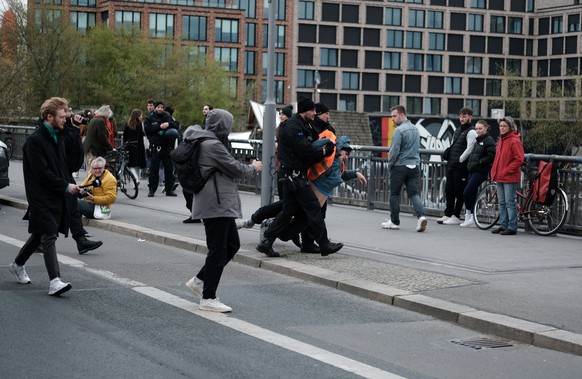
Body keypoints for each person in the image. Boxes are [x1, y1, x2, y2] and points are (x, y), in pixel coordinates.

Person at [183, 109, 263, 313]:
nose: (229, 129)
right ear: (222, 126)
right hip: (215, 203)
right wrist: (253, 167)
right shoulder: (212, 145)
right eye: (228, 125)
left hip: (219, 202)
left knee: (231, 245)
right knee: (218, 250)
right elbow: (235, 169)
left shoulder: (204, 141)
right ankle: (208, 297)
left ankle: (200, 280)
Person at [9, 97, 81, 296]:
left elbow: (68, 164)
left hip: (55, 192)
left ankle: (17, 264)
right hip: (40, 195)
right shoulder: (35, 141)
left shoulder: (58, 135)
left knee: (41, 233)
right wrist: (66, 186)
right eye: (61, 116)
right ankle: (54, 281)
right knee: (49, 234)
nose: (65, 119)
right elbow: (42, 173)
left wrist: (73, 186)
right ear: (49, 117)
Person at [256, 96, 343, 258]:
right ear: (306, 111)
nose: (314, 114)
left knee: (288, 210)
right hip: (293, 175)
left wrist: (322, 148)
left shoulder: (304, 124)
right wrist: (322, 152)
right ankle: (324, 244)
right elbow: (305, 150)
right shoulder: (293, 126)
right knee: (313, 207)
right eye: (312, 111)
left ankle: (266, 241)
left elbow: (312, 143)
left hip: (294, 174)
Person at [380, 105, 428, 232]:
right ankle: (421, 217)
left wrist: (390, 165)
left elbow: (394, 151)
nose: (392, 119)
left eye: (394, 116)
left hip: (400, 166)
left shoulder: (399, 131)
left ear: (401, 115)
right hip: (414, 166)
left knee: (394, 194)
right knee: (413, 193)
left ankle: (395, 222)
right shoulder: (416, 130)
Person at [437, 107, 477, 225]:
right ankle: (448, 214)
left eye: (464, 116)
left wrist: (460, 159)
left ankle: (456, 215)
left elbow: (470, 148)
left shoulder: (471, 132)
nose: (462, 119)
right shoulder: (458, 130)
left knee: (459, 192)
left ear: (470, 117)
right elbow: (454, 145)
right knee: (449, 190)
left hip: (461, 167)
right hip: (452, 165)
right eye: (460, 116)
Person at [490, 116, 524, 235]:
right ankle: (503, 225)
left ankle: (512, 226)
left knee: (510, 202)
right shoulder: (501, 141)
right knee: (502, 202)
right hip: (500, 176)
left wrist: (507, 170)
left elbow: (519, 159)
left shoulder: (514, 140)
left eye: (504, 126)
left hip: (509, 176)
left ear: (510, 127)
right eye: (500, 126)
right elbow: (497, 159)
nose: (502, 128)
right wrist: (494, 172)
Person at [459, 120, 497, 228]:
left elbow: (491, 155)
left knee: (467, 192)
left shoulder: (489, 141)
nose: (478, 131)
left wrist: (480, 162)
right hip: (472, 170)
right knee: (471, 193)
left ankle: (470, 216)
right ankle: (470, 217)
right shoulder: (477, 141)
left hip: (480, 171)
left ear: (486, 128)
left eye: (480, 128)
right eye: (476, 129)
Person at [144, 100, 179, 197]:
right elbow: (148, 130)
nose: (160, 109)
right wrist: (159, 127)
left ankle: (169, 189)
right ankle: (152, 189)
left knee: (169, 169)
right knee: (154, 170)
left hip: (167, 147)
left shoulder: (167, 116)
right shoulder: (150, 118)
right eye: (158, 107)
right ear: (155, 108)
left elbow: (176, 125)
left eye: (162, 107)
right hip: (156, 147)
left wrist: (168, 124)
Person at [122, 109, 147, 183]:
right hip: (139, 146)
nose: (142, 117)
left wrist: (124, 146)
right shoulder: (140, 125)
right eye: (141, 115)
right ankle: (137, 179)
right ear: (138, 116)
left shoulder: (128, 124)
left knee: (131, 165)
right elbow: (142, 136)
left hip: (130, 146)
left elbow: (124, 136)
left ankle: (135, 179)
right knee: (138, 164)